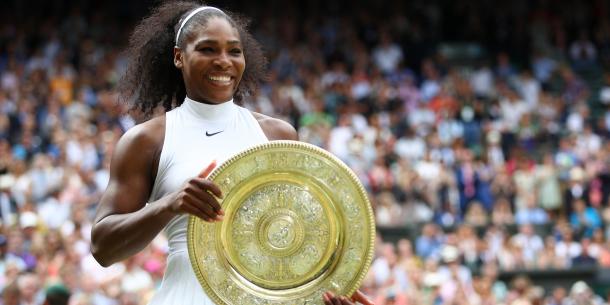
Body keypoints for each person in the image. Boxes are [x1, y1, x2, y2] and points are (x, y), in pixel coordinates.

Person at [89, 2, 372, 305]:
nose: (224, 61)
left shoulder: (278, 135)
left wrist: (328, 290)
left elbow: (294, 236)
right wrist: (168, 205)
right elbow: (103, 248)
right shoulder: (146, 140)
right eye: (208, 49)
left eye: (234, 51)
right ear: (178, 57)